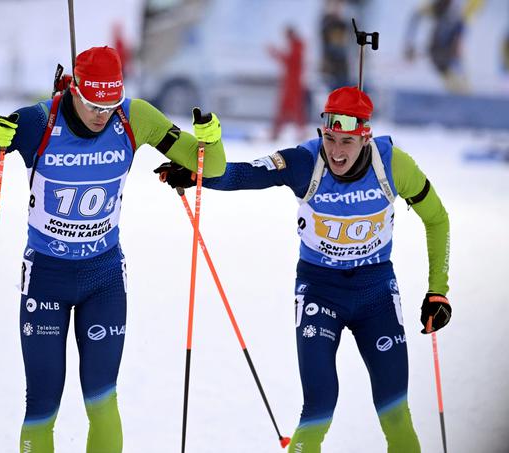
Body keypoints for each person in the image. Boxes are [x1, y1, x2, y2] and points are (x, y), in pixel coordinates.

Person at [0, 46, 225, 453]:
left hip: (103, 279)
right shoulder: (38, 121)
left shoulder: (134, 117)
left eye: (109, 105)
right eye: (93, 104)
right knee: (42, 401)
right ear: (73, 88)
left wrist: (210, 142)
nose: (101, 115)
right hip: (45, 279)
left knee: (102, 397)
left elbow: (210, 167)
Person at [155, 86, 451, 453]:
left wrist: (438, 290)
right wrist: (198, 175)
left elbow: (437, 219)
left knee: (394, 412)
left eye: (346, 141)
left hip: (376, 293)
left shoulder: (392, 164)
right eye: (329, 138)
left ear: (365, 137)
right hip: (319, 292)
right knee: (319, 406)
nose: (337, 152)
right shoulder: (304, 162)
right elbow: (242, 175)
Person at [403, 0, 484, 93]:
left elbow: (462, 29)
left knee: (464, 89)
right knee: (461, 89)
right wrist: (409, 44)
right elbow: (417, 15)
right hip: (442, 57)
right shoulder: (441, 6)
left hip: (449, 59)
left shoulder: (463, 9)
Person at [268, 26, 308, 141]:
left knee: (291, 108)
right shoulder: (297, 45)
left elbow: (290, 61)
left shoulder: (297, 45)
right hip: (291, 82)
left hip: (293, 83)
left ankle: (279, 131)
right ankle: (279, 131)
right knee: (289, 108)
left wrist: (275, 53)